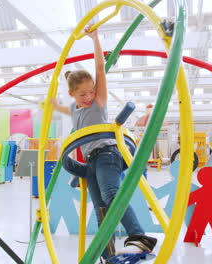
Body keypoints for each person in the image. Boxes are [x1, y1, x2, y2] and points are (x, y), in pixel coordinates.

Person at [51, 26, 157, 261]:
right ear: (72, 95)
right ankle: (108, 253)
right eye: (82, 95)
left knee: (111, 194)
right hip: (90, 162)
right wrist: (50, 103)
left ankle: (139, 237)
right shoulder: (72, 108)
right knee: (101, 209)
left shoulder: (99, 101)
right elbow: (61, 108)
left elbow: (99, 69)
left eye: (90, 92)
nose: (88, 98)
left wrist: (95, 39)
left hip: (107, 154)